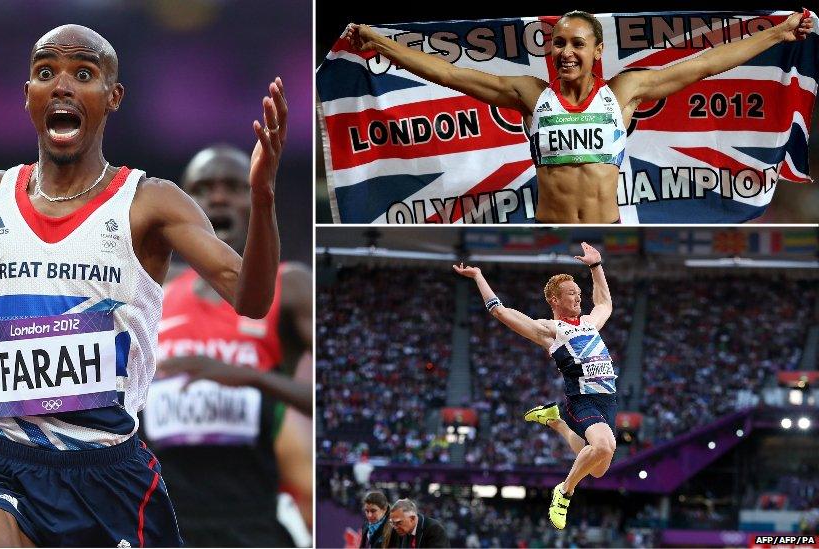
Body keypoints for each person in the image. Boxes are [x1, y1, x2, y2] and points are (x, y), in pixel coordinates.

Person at [0, 24, 287, 548]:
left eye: (84, 73)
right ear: (27, 96)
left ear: (112, 97)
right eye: (45, 72)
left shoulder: (152, 203)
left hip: (108, 468)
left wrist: (261, 200)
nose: (61, 85)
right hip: (3, 463)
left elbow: (252, 299)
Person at [347, 11, 814, 223]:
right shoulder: (531, 95)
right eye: (559, 44)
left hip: (607, 228)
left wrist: (777, 33)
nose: (566, 52)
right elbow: (448, 72)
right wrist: (379, 42)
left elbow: (707, 64)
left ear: (597, 50)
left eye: (577, 44)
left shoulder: (625, 92)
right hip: (547, 228)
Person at [141, 144, 312, 546]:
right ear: (182, 206)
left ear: (256, 199)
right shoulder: (155, 289)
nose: (217, 197)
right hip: (162, 523)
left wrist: (244, 376)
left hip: (250, 522)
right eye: (202, 189)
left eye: (233, 186)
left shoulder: (290, 286)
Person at [454, 242, 615, 530]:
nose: (578, 298)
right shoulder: (550, 330)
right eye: (571, 294)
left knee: (599, 467)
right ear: (554, 299)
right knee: (604, 446)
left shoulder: (590, 322)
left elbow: (604, 303)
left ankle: (557, 423)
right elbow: (501, 312)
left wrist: (596, 266)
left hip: (607, 401)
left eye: (579, 293)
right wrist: (479, 276)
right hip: (583, 400)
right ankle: (564, 491)